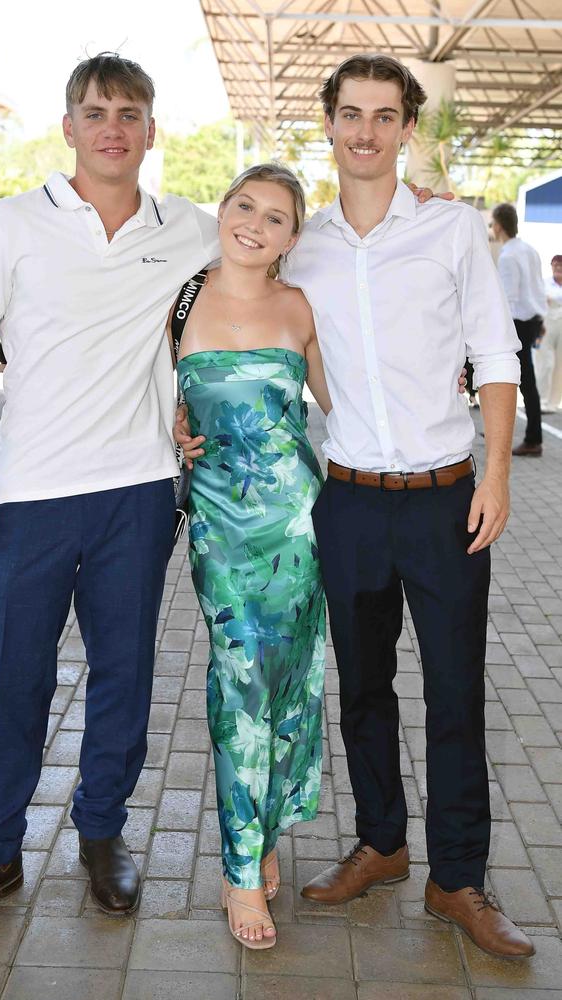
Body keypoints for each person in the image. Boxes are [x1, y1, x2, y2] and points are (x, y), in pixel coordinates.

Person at [180, 53, 532, 960]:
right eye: (350, 114)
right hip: (341, 502)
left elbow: (495, 359)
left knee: (454, 696)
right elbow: (248, 333)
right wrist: (192, 414)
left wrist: (495, 476)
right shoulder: (307, 245)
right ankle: (381, 842)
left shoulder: (453, 233)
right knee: (362, 692)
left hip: (446, 499)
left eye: (384, 115)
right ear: (328, 123)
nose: (366, 132)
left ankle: (458, 880)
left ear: (408, 127)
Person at [0, 53, 219, 939]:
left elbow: (282, 241)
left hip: (137, 493)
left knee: (124, 678)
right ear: (69, 127)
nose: (113, 127)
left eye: (130, 112)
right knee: (16, 677)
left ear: (152, 130)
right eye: (96, 112)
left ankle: (102, 834)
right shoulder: (11, 223)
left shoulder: (192, 228)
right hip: (29, 498)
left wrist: (411, 199)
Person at [171, 163, 332, 950]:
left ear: (292, 238)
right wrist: (168, 418)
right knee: (241, 685)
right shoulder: (180, 295)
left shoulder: (302, 307)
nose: (255, 224)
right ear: (223, 209)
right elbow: (140, 387)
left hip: (297, 530)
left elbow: (352, 400)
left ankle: (264, 835)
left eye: (275, 217)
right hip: (221, 531)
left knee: (289, 688)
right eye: (244, 206)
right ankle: (240, 873)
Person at [492, 203, 547, 457]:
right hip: (532, 320)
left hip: (517, 323)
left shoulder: (508, 256)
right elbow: (537, 289)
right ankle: (514, 433)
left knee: (519, 381)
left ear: (499, 225)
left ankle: (533, 438)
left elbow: (507, 298)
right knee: (523, 380)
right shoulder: (529, 250)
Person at [536, 254, 562, 411]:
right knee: (546, 363)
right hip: (546, 325)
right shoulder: (544, 283)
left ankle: (553, 402)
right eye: (555, 265)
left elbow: (552, 299)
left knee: (560, 365)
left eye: (560, 265)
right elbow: (541, 300)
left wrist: (553, 300)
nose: (558, 268)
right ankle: (542, 400)